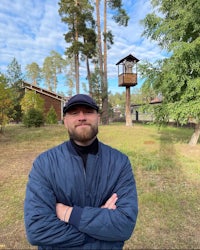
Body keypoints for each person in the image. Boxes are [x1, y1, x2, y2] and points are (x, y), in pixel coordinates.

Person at [24, 94, 138, 250]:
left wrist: (68, 214)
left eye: (88, 111)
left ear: (98, 117)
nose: (82, 117)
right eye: (74, 113)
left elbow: (124, 225)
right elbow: (37, 230)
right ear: (65, 121)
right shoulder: (44, 164)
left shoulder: (119, 163)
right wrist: (101, 230)